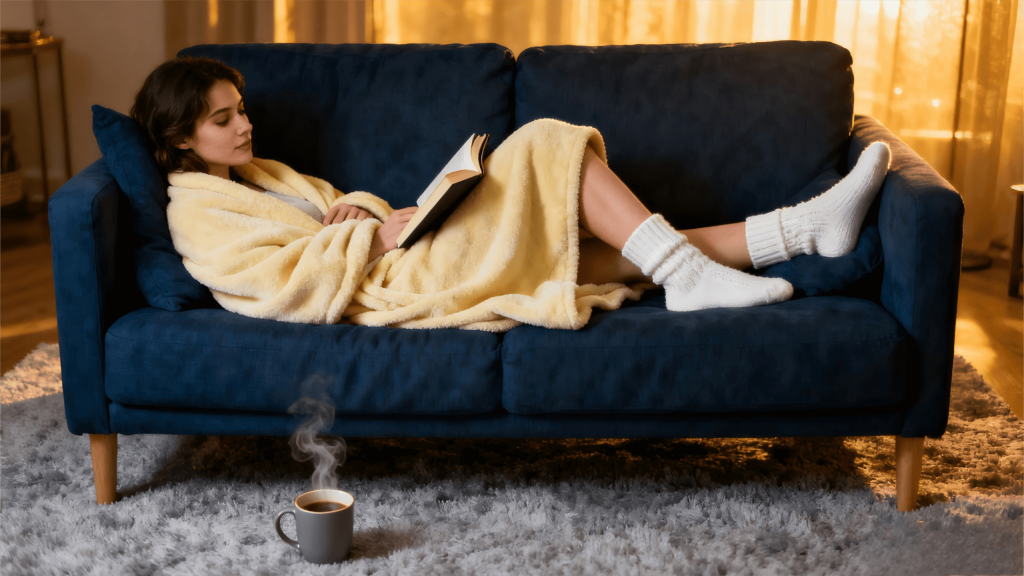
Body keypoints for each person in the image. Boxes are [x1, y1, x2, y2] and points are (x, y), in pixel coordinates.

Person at [134, 56, 890, 331]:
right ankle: (699, 270)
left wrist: (367, 210)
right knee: (544, 142)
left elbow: (338, 200)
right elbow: (272, 286)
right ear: (177, 141)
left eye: (242, 110)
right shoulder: (194, 210)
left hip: (398, 249)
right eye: (223, 119)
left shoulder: (258, 176)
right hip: (394, 281)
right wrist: (372, 238)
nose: (244, 126)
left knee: (595, 251)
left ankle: (799, 231)